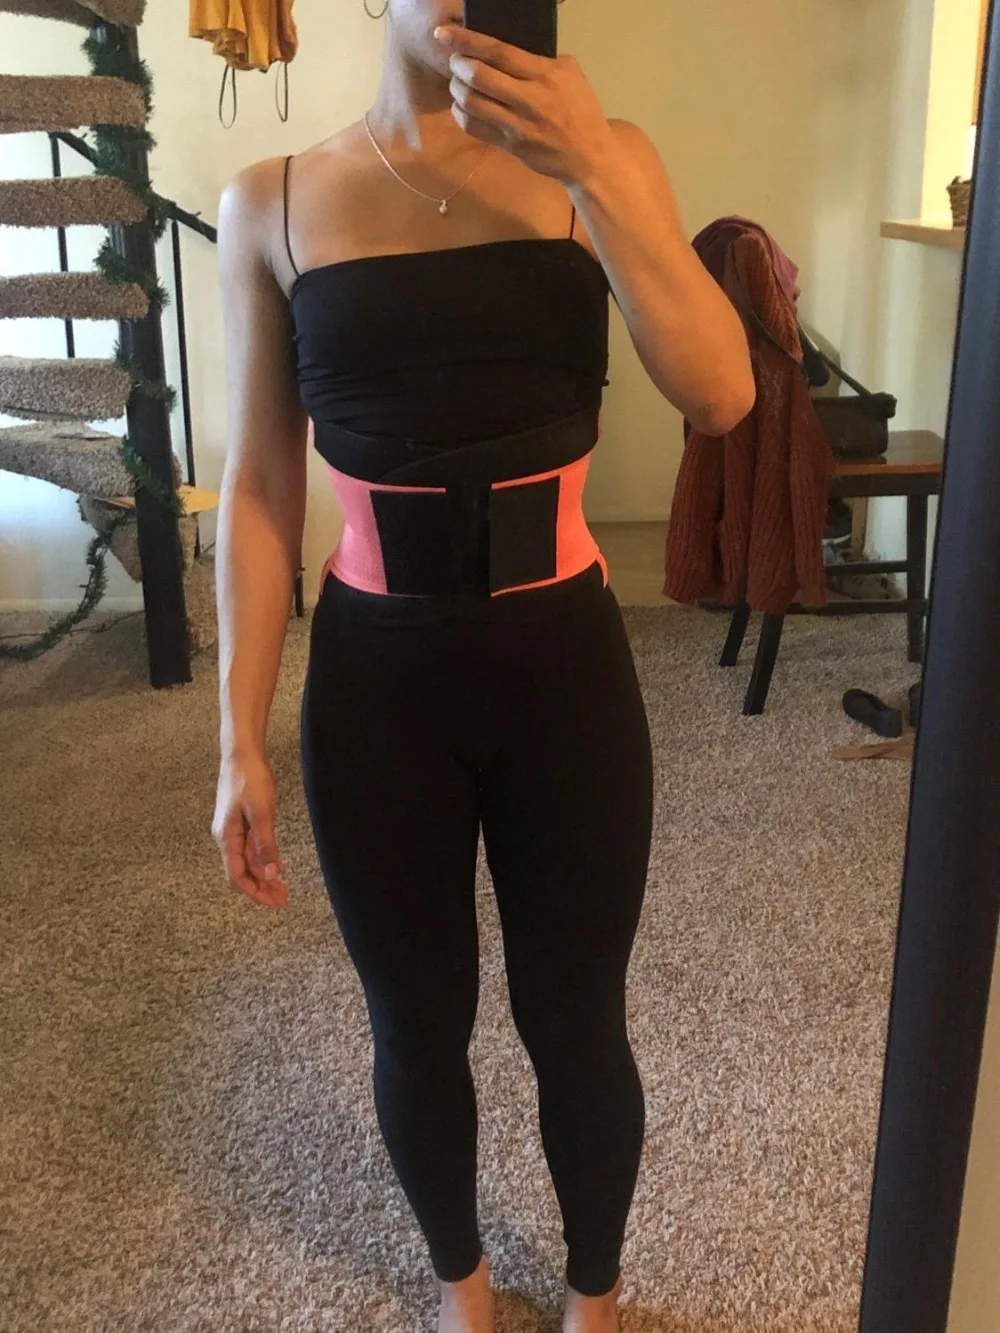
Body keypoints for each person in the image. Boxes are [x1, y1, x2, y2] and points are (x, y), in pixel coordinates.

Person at [211, 3, 754, 1330]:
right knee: (414, 1020)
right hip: (374, 686)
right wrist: (236, 738)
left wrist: (595, 170)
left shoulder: (606, 157)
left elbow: (722, 394)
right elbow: (262, 485)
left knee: (577, 1019)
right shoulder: (271, 201)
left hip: (564, 669)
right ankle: (461, 1287)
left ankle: (594, 1292)